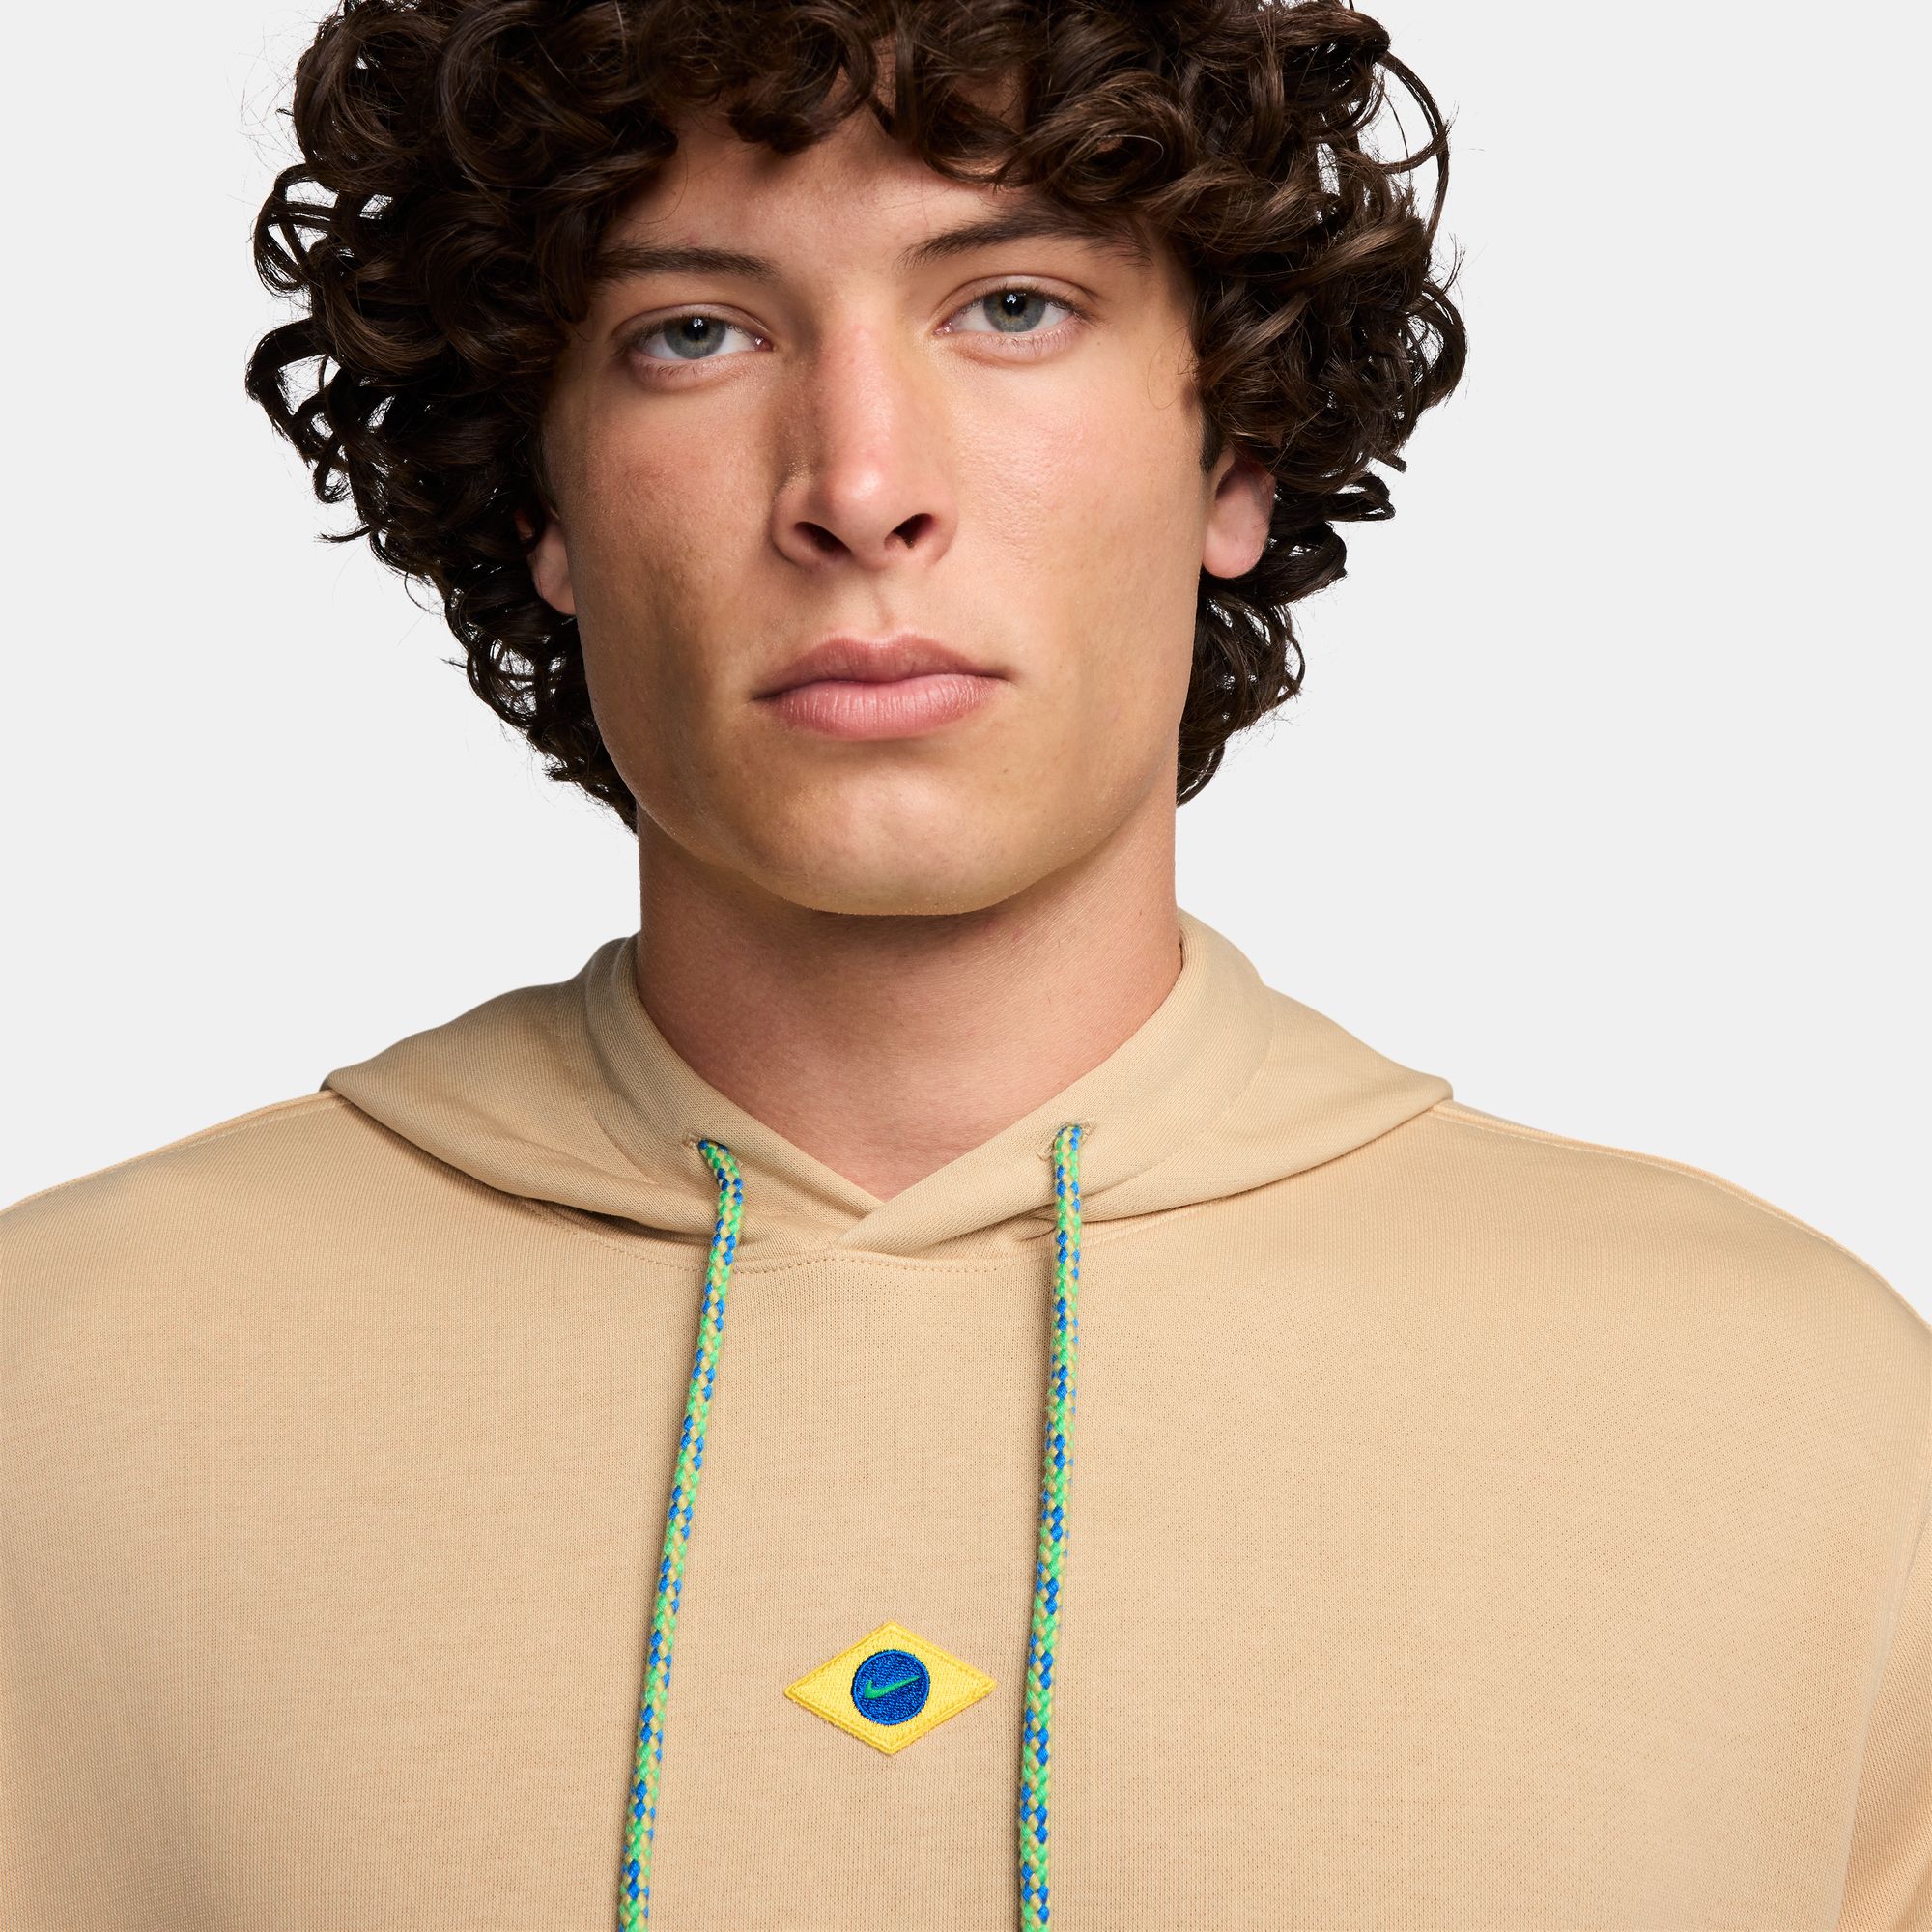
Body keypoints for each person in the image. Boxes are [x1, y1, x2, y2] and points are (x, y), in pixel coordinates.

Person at [4, 0, 1925, 1926]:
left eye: (1012, 306)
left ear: (1237, 452)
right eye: (694, 333)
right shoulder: (59, 1400)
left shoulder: (1798, 1422)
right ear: (540, 495)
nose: (859, 486)